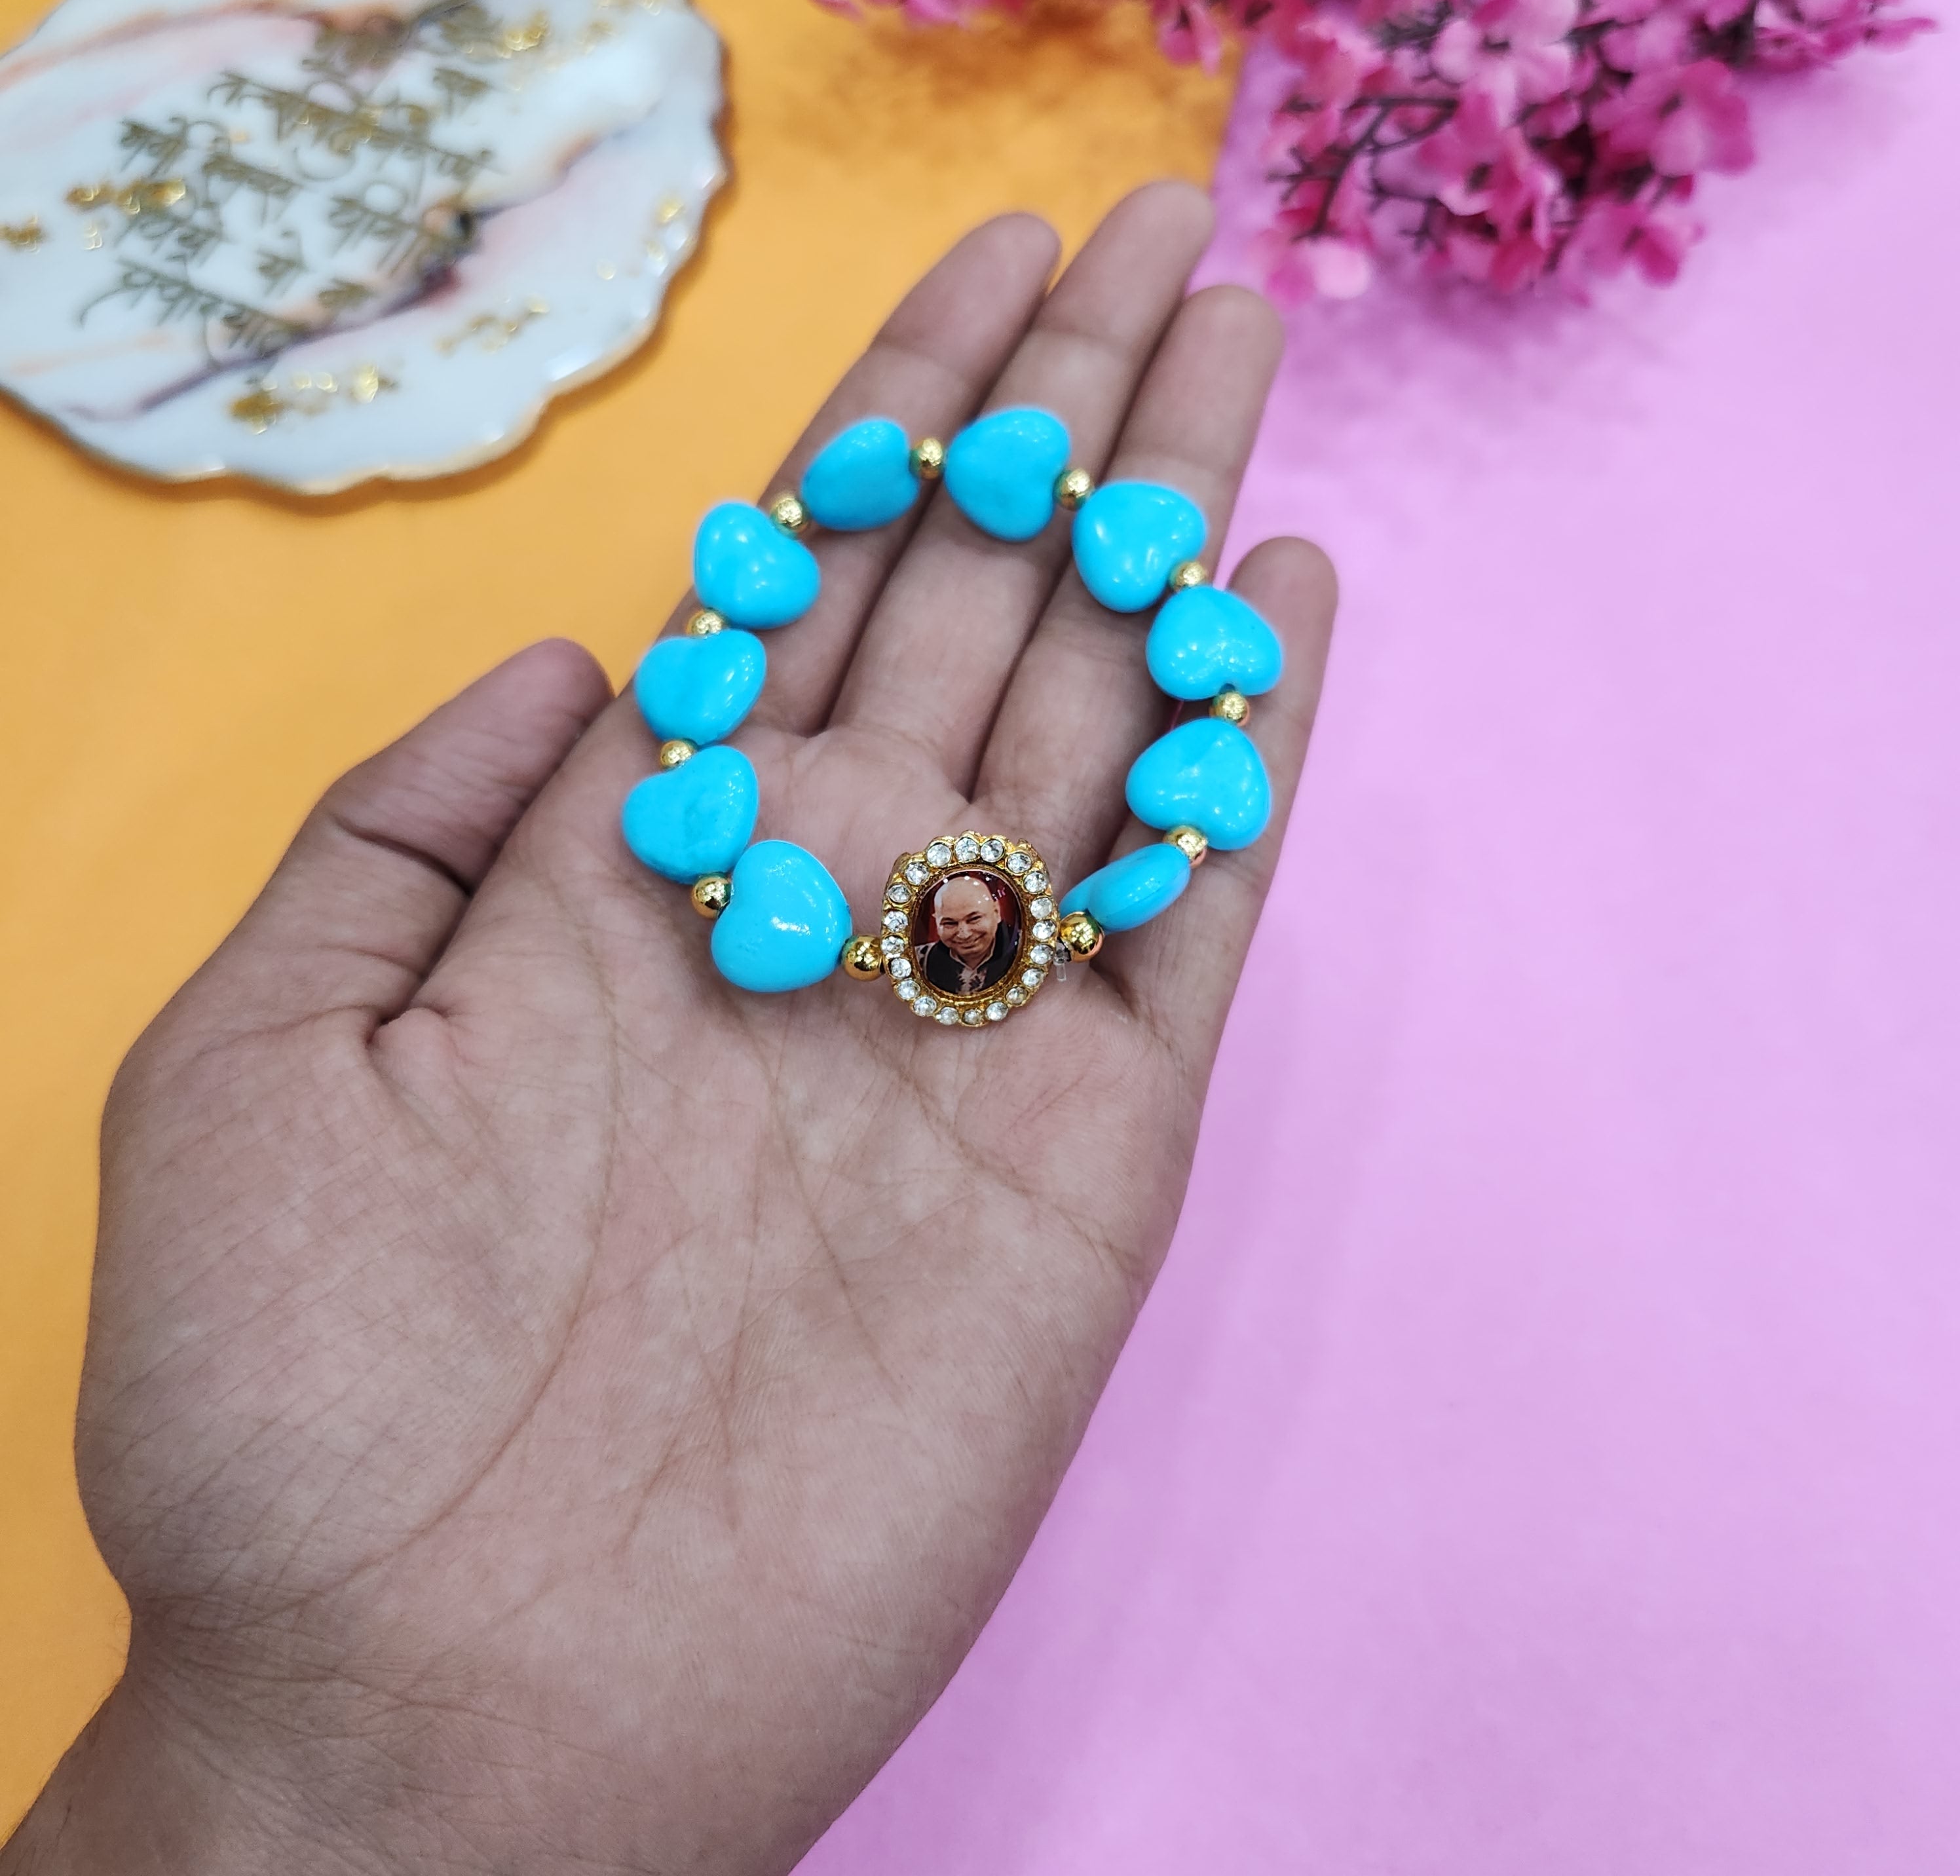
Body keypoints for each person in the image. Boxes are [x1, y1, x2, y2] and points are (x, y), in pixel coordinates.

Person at [0, 183, 1336, 1876]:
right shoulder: (866, 902)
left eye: (978, 924)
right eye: (968, 922)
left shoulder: (972, 905)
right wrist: (305, 1762)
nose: (972, 924)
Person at [922, 872, 1017, 994]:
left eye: (974, 919)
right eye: (950, 923)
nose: (964, 934)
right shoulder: (919, 962)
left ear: (997, 912)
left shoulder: (1025, 950)